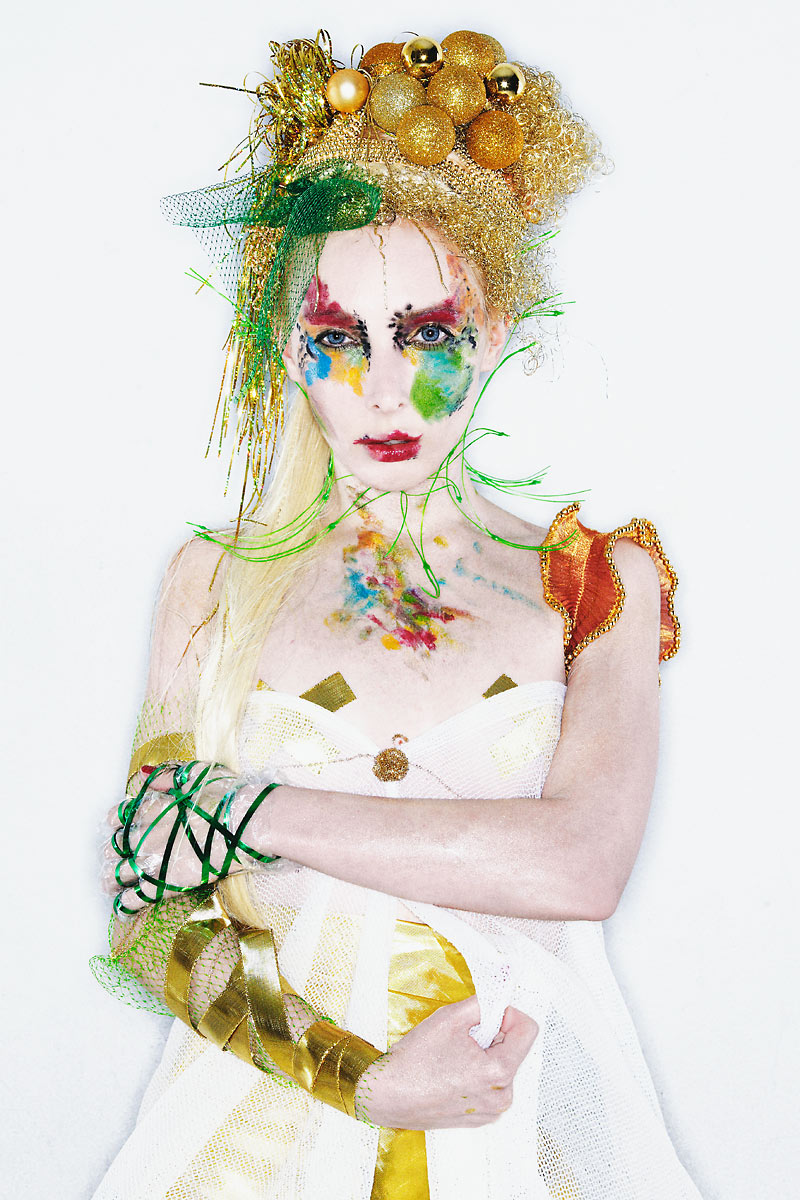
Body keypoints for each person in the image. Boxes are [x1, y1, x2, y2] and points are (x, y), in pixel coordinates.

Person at [94, 29, 700, 1199]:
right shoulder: (211, 580)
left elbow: (581, 862)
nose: (380, 387)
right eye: (338, 338)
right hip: (253, 1154)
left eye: (424, 334)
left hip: (517, 1149)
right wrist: (361, 1081)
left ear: (490, 335)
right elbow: (147, 919)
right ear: (289, 349)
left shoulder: (599, 585)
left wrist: (245, 810)